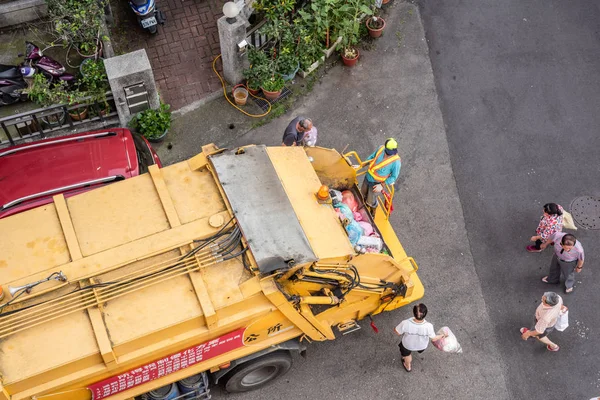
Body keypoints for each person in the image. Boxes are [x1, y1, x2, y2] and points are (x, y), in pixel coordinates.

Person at [394, 303, 446, 372]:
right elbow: (433, 338)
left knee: (407, 355)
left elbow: (397, 332)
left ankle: (408, 366)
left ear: (414, 313)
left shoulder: (405, 323)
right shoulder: (428, 326)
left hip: (407, 345)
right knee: (415, 351)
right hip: (421, 346)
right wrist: (442, 335)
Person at [360, 138, 401, 209]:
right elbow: (372, 157)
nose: (387, 155)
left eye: (390, 153)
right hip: (368, 177)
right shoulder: (380, 149)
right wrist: (361, 165)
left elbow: (393, 177)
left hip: (376, 184)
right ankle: (362, 205)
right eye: (387, 152)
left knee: (371, 201)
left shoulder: (396, 162)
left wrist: (382, 185)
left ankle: (372, 212)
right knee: (362, 193)